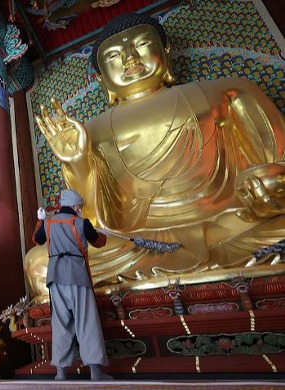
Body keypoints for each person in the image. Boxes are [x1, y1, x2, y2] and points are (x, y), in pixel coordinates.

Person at [25, 12, 285, 301]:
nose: (130, 58)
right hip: (143, 244)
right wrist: (77, 162)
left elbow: (279, 163)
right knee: (41, 264)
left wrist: (270, 180)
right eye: (114, 56)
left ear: (166, 50)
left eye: (141, 45)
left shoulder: (228, 92)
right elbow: (93, 221)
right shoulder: (89, 132)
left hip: (234, 225)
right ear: (102, 79)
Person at [34, 189, 112, 381]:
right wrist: (104, 234)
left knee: (60, 324)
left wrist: (40, 220)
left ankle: (60, 372)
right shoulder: (81, 222)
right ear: (76, 207)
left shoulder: (49, 223)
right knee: (87, 322)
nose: (80, 210)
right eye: (80, 207)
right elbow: (99, 242)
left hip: (55, 278)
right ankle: (95, 372)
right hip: (77, 276)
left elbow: (37, 240)